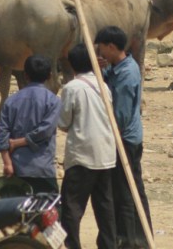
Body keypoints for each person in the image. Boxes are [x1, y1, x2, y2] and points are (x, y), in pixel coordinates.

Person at [95, 26, 152, 249]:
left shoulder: (127, 74)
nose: (99, 53)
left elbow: (121, 115)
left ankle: (134, 241)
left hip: (125, 141)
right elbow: (107, 79)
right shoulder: (118, 66)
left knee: (127, 193)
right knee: (125, 191)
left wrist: (109, 139)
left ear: (111, 47)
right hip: (123, 139)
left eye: (101, 48)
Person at [59, 44, 117, 249]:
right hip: (106, 154)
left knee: (71, 208)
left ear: (72, 65)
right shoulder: (103, 85)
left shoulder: (72, 88)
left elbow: (63, 123)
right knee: (105, 208)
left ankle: (72, 245)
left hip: (82, 155)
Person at [0, 55, 61, 195]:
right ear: (50, 75)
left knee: (18, 214)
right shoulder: (53, 101)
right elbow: (45, 131)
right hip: (42, 170)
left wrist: (7, 162)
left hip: (16, 169)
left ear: (25, 75)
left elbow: (2, 133)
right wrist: (19, 142)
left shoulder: (10, 101)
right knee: (48, 213)